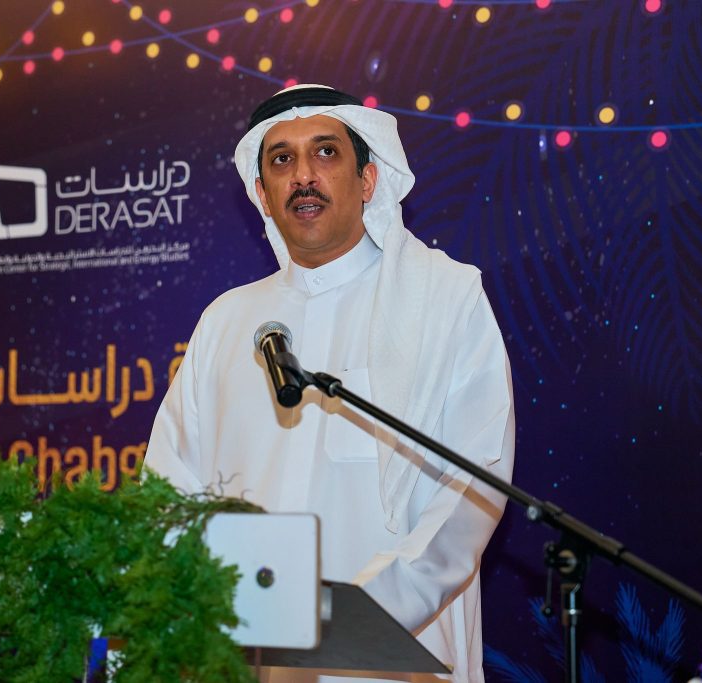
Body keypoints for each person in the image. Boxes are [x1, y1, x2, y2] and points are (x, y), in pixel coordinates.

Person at [144, 84, 515, 682]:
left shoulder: (443, 299)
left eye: (325, 152)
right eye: (282, 160)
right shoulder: (226, 321)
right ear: (263, 195)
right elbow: (170, 485)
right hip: (244, 652)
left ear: (368, 179)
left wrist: (357, 617)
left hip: (393, 655)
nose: (303, 176)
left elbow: (472, 484)